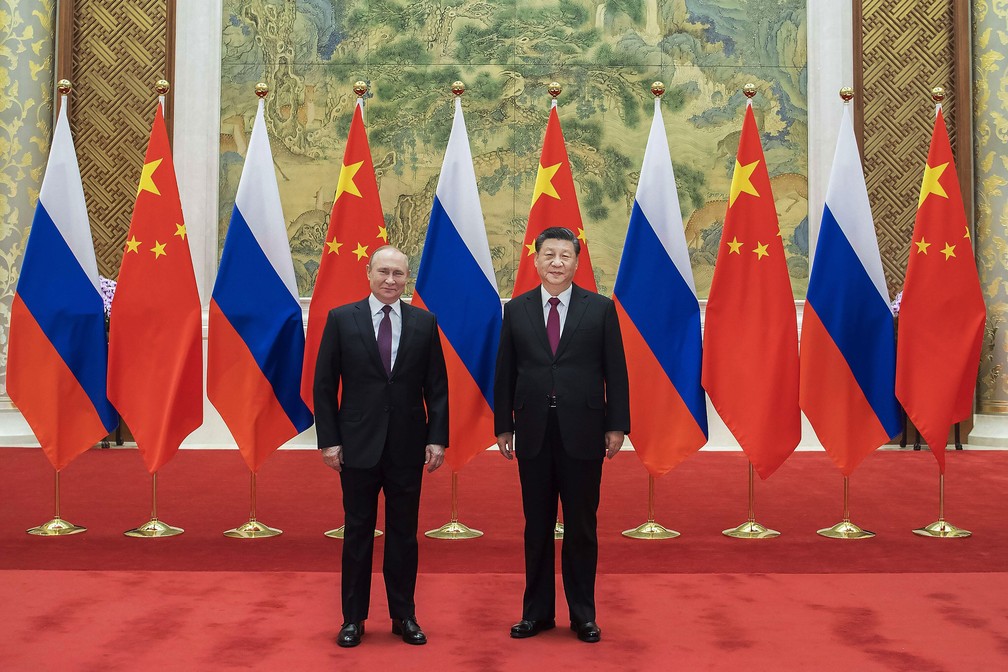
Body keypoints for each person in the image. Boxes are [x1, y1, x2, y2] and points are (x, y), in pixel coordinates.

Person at [494, 226, 630, 643]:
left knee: (581, 527)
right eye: (549, 255)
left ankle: (583, 614)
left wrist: (616, 424)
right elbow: (504, 373)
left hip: (584, 432)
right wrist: (504, 425)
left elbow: (616, 373)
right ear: (535, 261)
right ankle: (536, 614)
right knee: (536, 526)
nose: (556, 263)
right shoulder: (516, 310)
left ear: (576, 261)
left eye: (564, 256)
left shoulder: (600, 309)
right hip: (533, 431)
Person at [314, 245, 449, 648]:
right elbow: (324, 387)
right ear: (368, 273)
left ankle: (403, 615)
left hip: (407, 445)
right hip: (357, 445)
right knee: (357, 531)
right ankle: (352, 619)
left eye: (399, 274)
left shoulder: (424, 323)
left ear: (407, 278)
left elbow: (437, 389)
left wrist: (437, 437)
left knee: (404, 534)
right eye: (384, 272)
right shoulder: (341, 319)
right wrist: (330, 440)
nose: (391, 281)